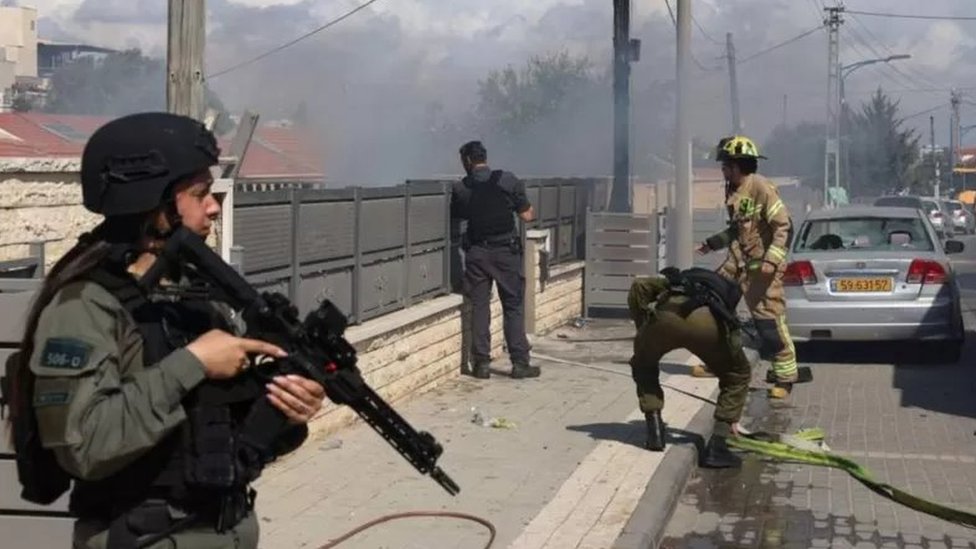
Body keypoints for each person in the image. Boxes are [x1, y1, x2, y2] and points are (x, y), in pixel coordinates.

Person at [4, 112, 326, 548]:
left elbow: (221, 441)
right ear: (152, 203)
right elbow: (85, 447)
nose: (214, 206)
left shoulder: (194, 297)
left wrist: (285, 410)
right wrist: (194, 363)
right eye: (200, 193)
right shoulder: (85, 305)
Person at [696, 135, 798, 403]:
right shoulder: (733, 189)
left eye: (725, 166)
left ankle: (785, 377)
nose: (722, 171)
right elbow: (737, 229)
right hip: (738, 262)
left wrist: (771, 261)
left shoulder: (762, 188)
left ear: (737, 166)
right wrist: (711, 244)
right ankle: (719, 363)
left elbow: (784, 227)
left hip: (762, 269)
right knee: (716, 310)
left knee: (768, 322)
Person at [627, 267, 751, 468]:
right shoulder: (729, 291)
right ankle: (718, 445)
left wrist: (643, 326)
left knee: (643, 365)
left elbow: (639, 285)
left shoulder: (680, 280)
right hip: (707, 324)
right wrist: (734, 364)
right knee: (738, 374)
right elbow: (732, 336)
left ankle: (654, 431)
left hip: (665, 319)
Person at [451, 140, 539, 379]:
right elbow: (527, 215)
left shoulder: (461, 188)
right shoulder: (507, 180)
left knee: (480, 307)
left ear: (468, 161)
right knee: (512, 306)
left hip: (477, 254)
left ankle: (481, 364)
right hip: (505, 253)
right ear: (484, 157)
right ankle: (520, 363)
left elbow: (458, 216)